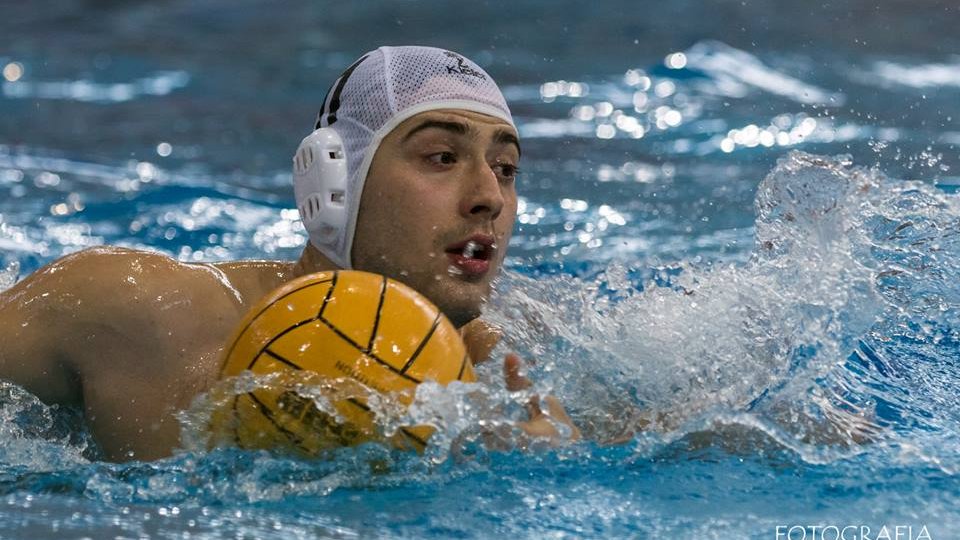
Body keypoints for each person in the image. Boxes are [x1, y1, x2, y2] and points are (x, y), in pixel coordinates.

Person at [0, 46, 578, 462]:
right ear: (334, 182)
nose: (489, 198)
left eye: (506, 169)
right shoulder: (131, 312)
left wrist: (550, 467)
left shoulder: (513, 377)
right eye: (441, 157)